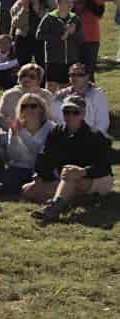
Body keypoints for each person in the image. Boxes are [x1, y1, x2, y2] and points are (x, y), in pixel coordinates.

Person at [24, 95, 114, 223]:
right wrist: (39, 175)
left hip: (97, 177)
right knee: (28, 191)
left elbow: (104, 167)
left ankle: (53, 209)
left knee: (70, 176)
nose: (70, 116)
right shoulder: (56, 132)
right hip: (65, 178)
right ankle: (74, 199)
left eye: (75, 112)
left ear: (83, 114)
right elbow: (44, 159)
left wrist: (82, 172)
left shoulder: (95, 135)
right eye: (66, 112)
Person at [0, 92, 55, 200]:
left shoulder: (50, 127)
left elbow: (38, 151)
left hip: (40, 170)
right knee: (12, 178)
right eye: (24, 106)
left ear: (41, 109)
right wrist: (14, 136)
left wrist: (21, 133)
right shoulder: (17, 126)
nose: (28, 109)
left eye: (33, 106)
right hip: (19, 167)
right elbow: (13, 156)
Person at [36, 0, 80, 90]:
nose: (70, 5)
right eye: (67, 2)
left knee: (67, 87)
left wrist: (73, 33)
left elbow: (80, 38)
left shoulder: (75, 18)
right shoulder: (49, 18)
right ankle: (50, 105)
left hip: (70, 59)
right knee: (52, 88)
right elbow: (39, 35)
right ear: (58, 2)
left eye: (72, 2)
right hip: (53, 60)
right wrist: (59, 37)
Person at [68, 0, 106, 75]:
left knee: (87, 73)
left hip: (90, 38)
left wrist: (86, 0)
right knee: (72, 72)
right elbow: (65, 14)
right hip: (71, 38)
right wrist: (72, 3)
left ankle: (91, 93)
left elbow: (99, 13)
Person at [51, 63, 110, 136]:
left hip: (91, 138)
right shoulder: (60, 95)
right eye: (72, 74)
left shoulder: (97, 95)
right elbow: (54, 119)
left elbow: (102, 123)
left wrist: (92, 139)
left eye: (80, 75)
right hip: (65, 138)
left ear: (87, 76)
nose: (75, 77)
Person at [9, 0, 50, 67]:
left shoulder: (50, 2)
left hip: (43, 39)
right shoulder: (20, 3)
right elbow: (16, 23)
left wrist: (38, 9)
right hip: (24, 38)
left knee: (44, 66)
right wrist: (25, 8)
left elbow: (52, 22)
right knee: (23, 66)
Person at [0, 62, 48, 130]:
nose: (26, 78)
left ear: (39, 80)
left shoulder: (45, 95)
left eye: (32, 77)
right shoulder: (9, 94)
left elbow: (49, 118)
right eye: (23, 75)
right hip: (13, 132)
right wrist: (13, 127)